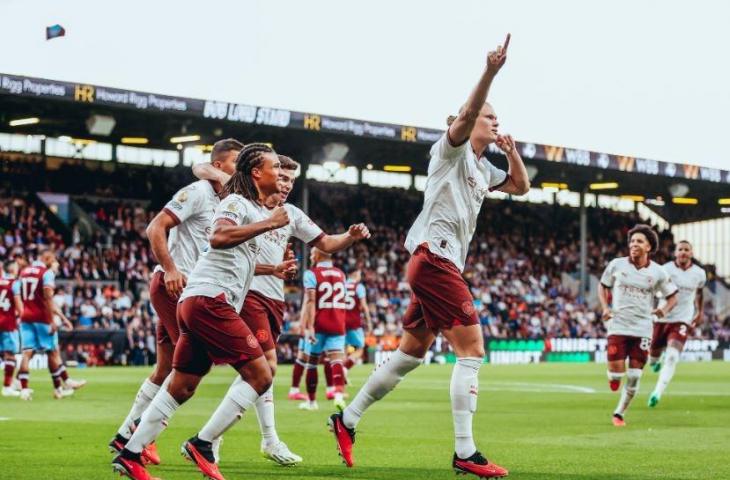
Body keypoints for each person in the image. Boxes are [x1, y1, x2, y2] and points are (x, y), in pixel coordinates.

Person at [329, 34, 528, 478]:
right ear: (466, 120)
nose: (494, 123)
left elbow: (520, 187)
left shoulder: (483, 167)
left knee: (410, 355)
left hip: (437, 263)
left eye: (498, 118)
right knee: (472, 351)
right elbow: (468, 114)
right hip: (434, 259)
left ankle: (346, 420)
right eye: (488, 117)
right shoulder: (450, 150)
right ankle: (465, 451)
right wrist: (490, 72)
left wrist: (513, 154)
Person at [112, 143, 291, 480]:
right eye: (273, 168)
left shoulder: (249, 206)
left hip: (198, 300)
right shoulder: (236, 203)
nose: (279, 175)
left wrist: (273, 267)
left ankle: (130, 452)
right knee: (262, 374)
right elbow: (220, 237)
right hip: (210, 300)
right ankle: (204, 443)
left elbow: (238, 258)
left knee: (183, 384)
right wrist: (268, 226)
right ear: (256, 172)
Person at [193, 154, 370, 465]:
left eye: (291, 180)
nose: (286, 184)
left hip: (274, 300)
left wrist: (350, 238)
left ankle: (256, 438)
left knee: (258, 373)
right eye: (283, 177)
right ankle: (214, 438)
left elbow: (326, 243)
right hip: (248, 294)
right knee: (266, 367)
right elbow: (203, 169)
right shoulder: (247, 204)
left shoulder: (291, 213)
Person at [109, 138, 241, 464]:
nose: (241, 171)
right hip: (176, 286)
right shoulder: (197, 192)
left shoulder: (229, 203)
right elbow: (156, 227)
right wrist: (170, 268)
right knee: (192, 365)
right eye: (237, 163)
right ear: (220, 166)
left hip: (190, 289)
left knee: (166, 368)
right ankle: (141, 437)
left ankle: (127, 435)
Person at [599, 224, 678, 427]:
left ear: (649, 247)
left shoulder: (658, 272)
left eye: (639, 241)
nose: (634, 244)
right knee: (616, 375)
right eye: (632, 241)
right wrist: (605, 307)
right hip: (618, 325)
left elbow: (672, 297)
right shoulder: (617, 265)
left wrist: (663, 311)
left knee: (634, 376)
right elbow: (603, 285)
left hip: (642, 328)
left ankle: (619, 413)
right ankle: (613, 377)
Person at [16, 250, 84, 400]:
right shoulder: (46, 273)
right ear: (47, 259)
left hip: (26, 316)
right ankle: (66, 382)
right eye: (53, 259)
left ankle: (25, 390)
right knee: (53, 352)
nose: (56, 263)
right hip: (42, 318)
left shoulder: (24, 271)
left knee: (26, 353)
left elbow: (19, 294)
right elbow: (48, 299)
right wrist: (53, 320)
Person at [647, 240, 706, 407]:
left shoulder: (699, 274)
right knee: (652, 359)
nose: (683, 252)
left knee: (672, 356)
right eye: (680, 249)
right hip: (662, 317)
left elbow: (700, 293)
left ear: (691, 253)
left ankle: (657, 393)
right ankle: (655, 362)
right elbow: (655, 290)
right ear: (675, 253)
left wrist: (699, 311)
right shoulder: (665, 269)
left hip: (682, 319)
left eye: (687, 250)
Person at [299, 248, 349, 412]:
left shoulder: (311, 274)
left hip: (320, 323)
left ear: (319, 255)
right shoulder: (341, 274)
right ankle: (339, 395)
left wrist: (310, 326)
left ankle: (312, 402)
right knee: (336, 361)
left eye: (313, 253)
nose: (311, 256)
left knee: (312, 363)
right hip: (338, 322)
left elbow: (311, 301)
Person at [0, 261, 23, 397]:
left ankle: (11, 383)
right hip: (8, 323)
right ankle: (7, 387)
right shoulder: (13, 283)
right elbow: (20, 308)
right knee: (10, 356)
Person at [343, 267, 372, 373]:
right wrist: (369, 322)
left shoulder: (341, 285)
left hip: (340, 321)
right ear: (355, 273)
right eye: (359, 274)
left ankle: (339, 375)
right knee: (360, 349)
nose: (360, 276)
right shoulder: (359, 287)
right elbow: (364, 306)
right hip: (354, 321)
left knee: (344, 348)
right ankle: (344, 368)